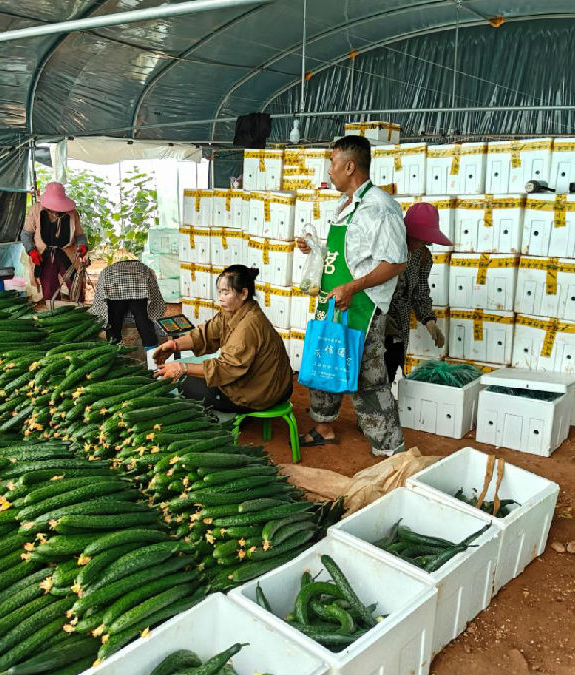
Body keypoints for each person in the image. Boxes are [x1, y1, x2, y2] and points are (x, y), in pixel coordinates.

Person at [295, 134, 409, 457]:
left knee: (368, 379)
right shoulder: (343, 205)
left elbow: (396, 262)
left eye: (332, 163)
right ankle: (324, 426)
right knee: (326, 360)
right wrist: (313, 247)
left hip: (362, 306)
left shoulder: (381, 208)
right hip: (334, 300)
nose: (328, 170)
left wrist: (353, 287)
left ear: (349, 166)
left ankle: (390, 450)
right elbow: (347, 254)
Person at [151, 265, 293, 413]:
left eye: (225, 292)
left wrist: (182, 368)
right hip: (269, 383)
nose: (220, 298)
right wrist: (174, 345)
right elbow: (206, 334)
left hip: (265, 392)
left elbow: (225, 369)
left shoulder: (249, 325)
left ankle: (235, 414)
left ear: (243, 293)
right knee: (191, 376)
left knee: (184, 382)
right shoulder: (234, 312)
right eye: (219, 292)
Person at [385, 202, 451, 382]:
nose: (421, 242)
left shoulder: (423, 256)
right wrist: (382, 316)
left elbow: (420, 291)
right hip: (375, 320)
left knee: (391, 369)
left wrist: (429, 320)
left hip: (400, 322)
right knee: (370, 374)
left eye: (425, 239)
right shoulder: (386, 246)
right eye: (417, 237)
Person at [21, 182, 89, 304]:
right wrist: (31, 250)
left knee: (75, 283)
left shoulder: (72, 212)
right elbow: (26, 234)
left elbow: (80, 235)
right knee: (48, 287)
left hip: (67, 254)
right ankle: (53, 311)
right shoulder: (36, 209)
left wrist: (83, 245)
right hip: (44, 255)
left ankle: (79, 309)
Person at [90, 257, 166, 349]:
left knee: (113, 322)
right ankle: (152, 351)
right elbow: (154, 291)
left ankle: (114, 349)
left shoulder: (108, 270)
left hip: (113, 291)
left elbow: (100, 291)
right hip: (138, 292)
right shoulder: (144, 268)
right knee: (144, 321)